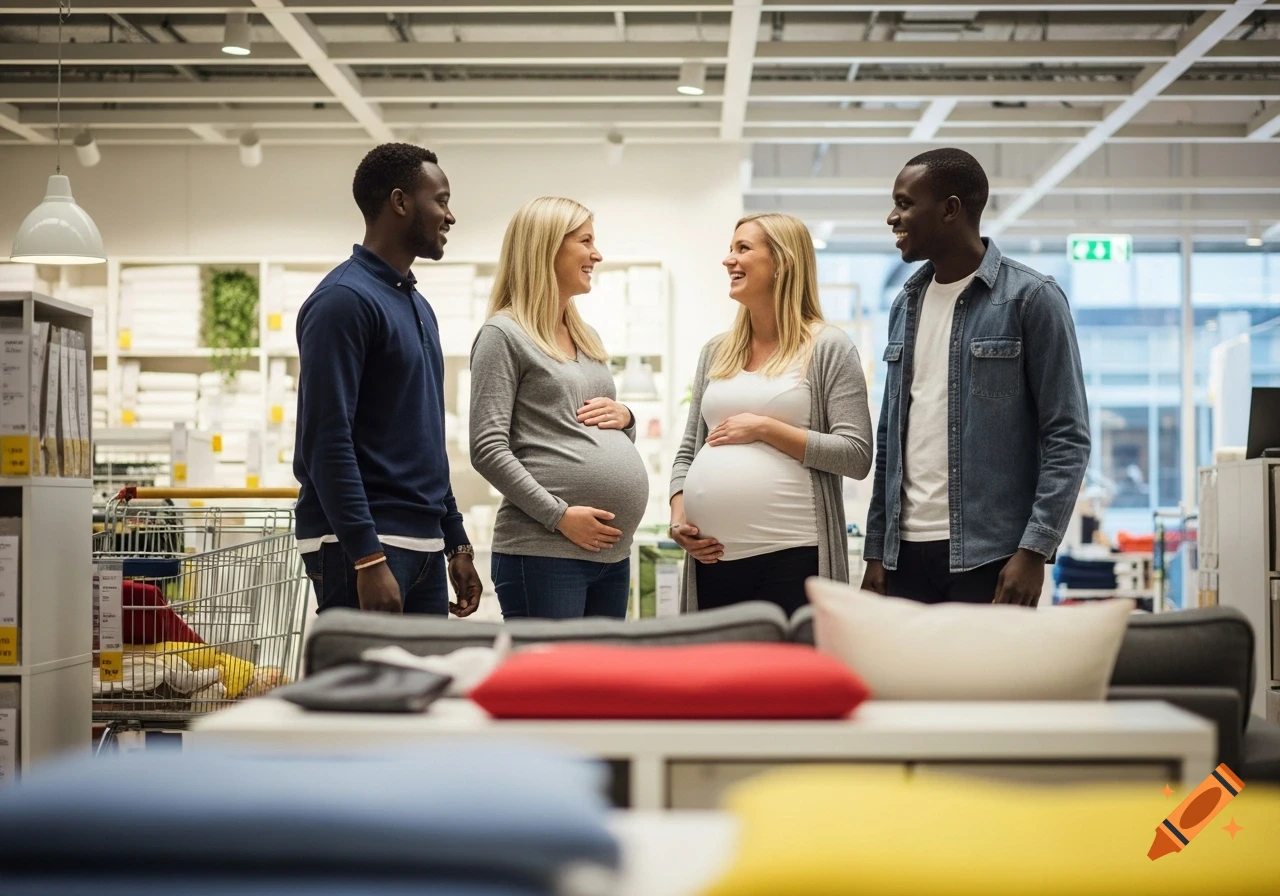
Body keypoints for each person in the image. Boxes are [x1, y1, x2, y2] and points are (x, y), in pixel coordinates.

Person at [861, 147, 1090, 606]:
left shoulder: (1031, 299)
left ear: (950, 209)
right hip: (903, 556)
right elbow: (891, 438)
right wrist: (875, 552)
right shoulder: (905, 305)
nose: (892, 217)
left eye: (905, 203)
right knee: (907, 682)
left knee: (988, 681)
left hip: (992, 557)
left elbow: (1068, 437)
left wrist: (1033, 550)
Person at [294, 143, 482, 617]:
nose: (450, 216)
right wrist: (366, 553)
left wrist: (455, 539)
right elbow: (325, 439)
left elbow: (426, 438)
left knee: (424, 691)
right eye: (440, 200)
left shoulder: (417, 306)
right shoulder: (342, 301)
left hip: (420, 544)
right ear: (400, 203)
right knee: (367, 692)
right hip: (363, 545)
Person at [668, 213, 873, 616]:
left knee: (787, 678)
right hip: (713, 559)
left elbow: (856, 454)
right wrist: (679, 519)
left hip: (794, 554)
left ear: (782, 262)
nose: (729, 260)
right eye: (731, 249)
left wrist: (765, 428)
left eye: (743, 248)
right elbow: (688, 451)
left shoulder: (827, 346)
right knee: (720, 677)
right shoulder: (716, 350)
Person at [469, 197, 648, 619]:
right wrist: (560, 516)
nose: (597, 254)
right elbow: (487, 448)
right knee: (551, 683)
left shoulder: (586, 337)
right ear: (547, 247)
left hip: (610, 555)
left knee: (600, 682)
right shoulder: (503, 335)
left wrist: (627, 419)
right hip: (544, 551)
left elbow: (593, 433)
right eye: (585, 241)